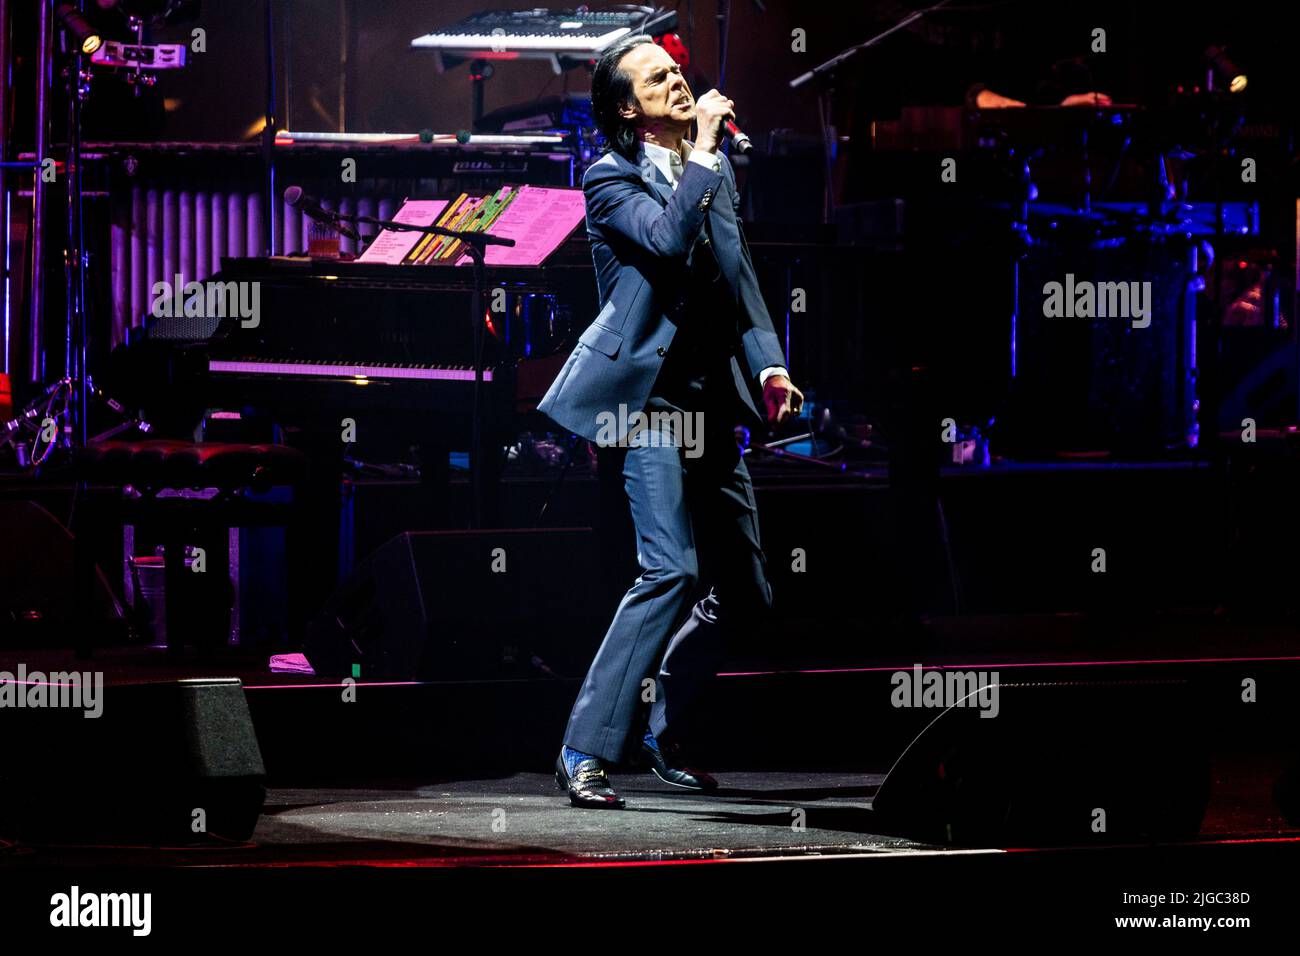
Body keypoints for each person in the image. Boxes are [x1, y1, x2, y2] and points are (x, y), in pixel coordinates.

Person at [538, 34, 802, 809]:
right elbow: (667, 237)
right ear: (628, 107)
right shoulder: (609, 178)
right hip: (644, 401)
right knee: (672, 569)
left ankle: (661, 721)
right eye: (657, 77)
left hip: (708, 401)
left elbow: (737, 270)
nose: (678, 81)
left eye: (677, 70)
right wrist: (707, 153)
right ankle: (584, 746)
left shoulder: (707, 173)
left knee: (747, 591)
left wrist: (768, 363)